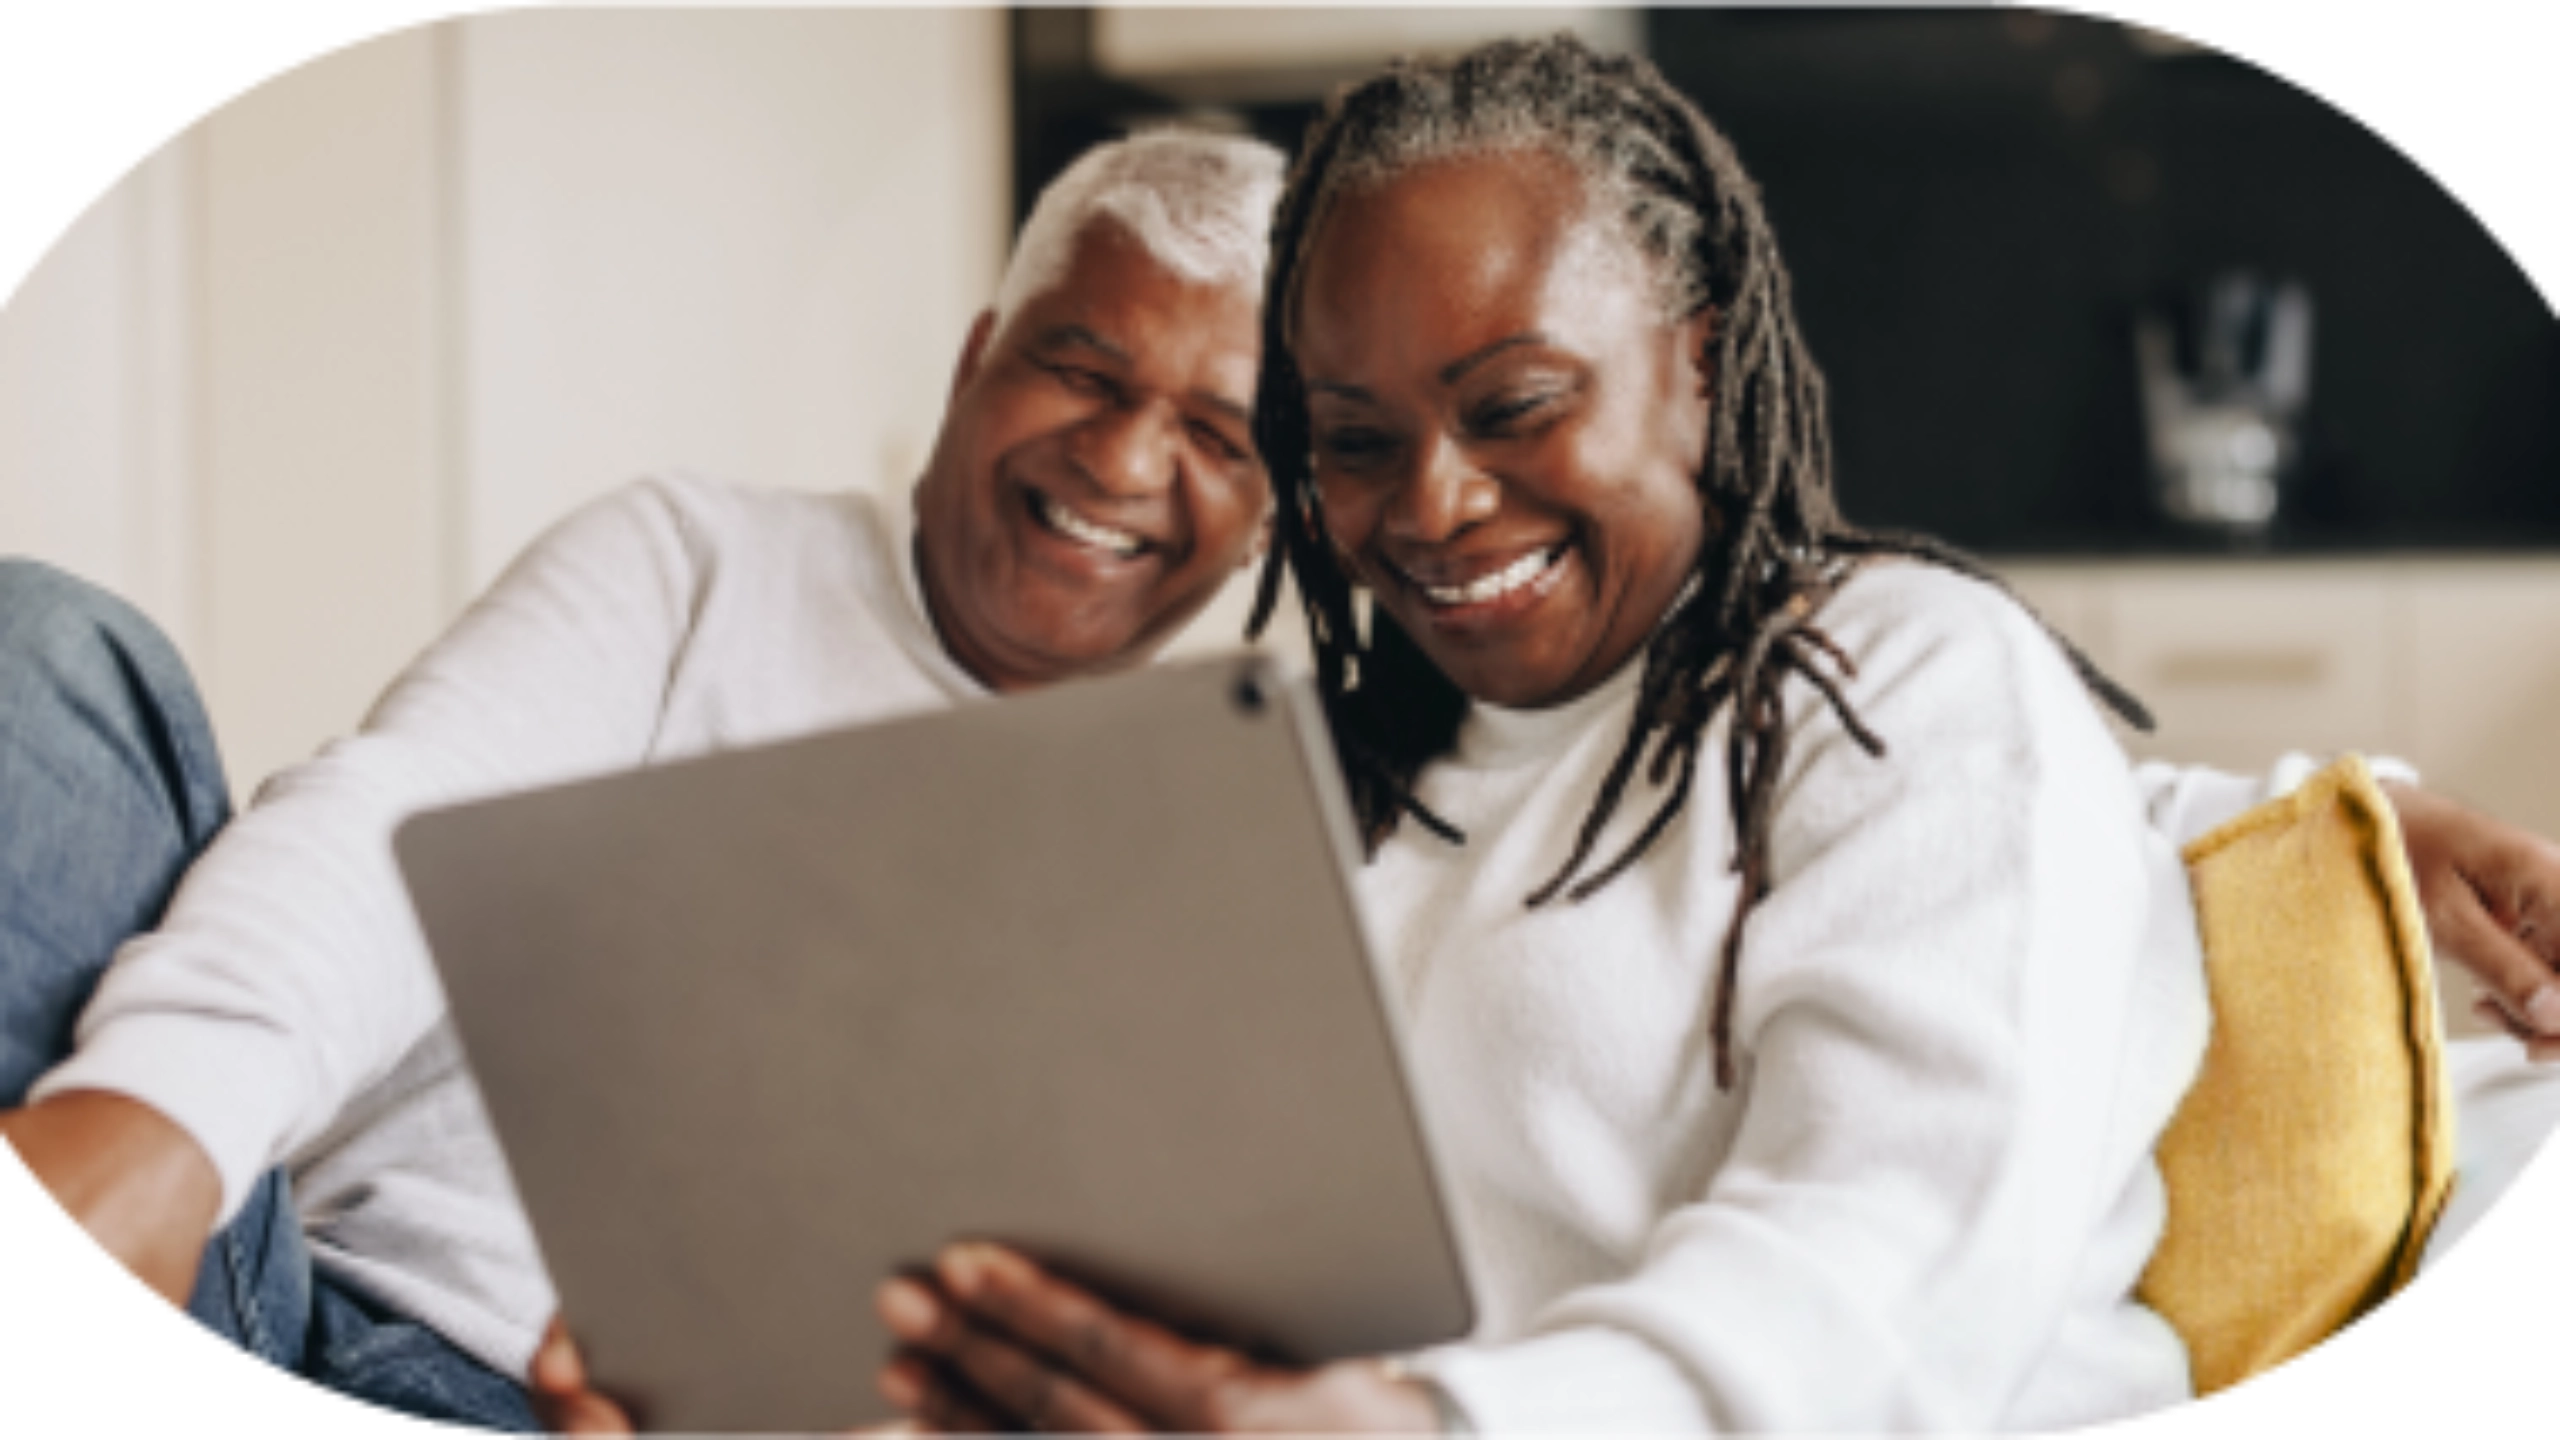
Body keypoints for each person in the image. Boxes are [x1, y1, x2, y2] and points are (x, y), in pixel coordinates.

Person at [842, 37, 2560, 1440]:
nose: (1431, 507)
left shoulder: (1888, 676)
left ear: (1697, 363)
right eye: (1353, 441)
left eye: (1513, 407)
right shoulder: (1314, 772)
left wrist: (1419, 1428)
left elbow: (1884, 1259)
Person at [0, 125, 1287, 1436]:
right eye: (1081, 371)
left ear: (1267, 519)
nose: (1124, 463)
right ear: (975, 364)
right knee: (41, 655)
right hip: (267, 1274)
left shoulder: (1201, 860)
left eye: (1218, 438)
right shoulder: (694, 567)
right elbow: (402, 812)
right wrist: (159, 1125)